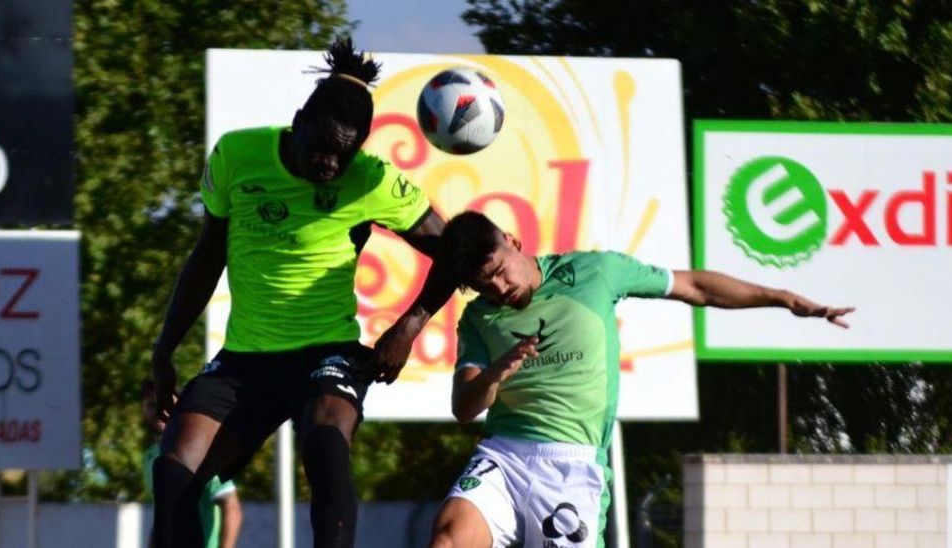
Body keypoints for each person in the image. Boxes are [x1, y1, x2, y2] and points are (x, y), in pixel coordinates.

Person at [150, 37, 453, 548]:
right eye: (322, 148)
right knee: (174, 471)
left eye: (345, 154)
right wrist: (164, 348)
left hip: (326, 355)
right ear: (299, 119)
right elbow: (207, 256)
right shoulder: (237, 155)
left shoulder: (371, 180)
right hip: (245, 360)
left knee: (326, 448)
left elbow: (455, 249)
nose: (331, 165)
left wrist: (410, 323)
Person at [427, 211, 854, 548]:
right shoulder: (479, 318)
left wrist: (782, 299)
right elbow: (464, 407)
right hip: (504, 457)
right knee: (448, 540)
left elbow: (696, 287)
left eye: (501, 270)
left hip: (571, 468)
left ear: (512, 241)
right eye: (486, 285)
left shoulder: (597, 272)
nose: (501, 288)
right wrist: (496, 373)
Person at [142, 378, 242, 548]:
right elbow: (162, 518)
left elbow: (231, 508)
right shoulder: (150, 457)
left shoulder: (199, 449)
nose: (159, 410)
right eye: (151, 405)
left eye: (166, 402)